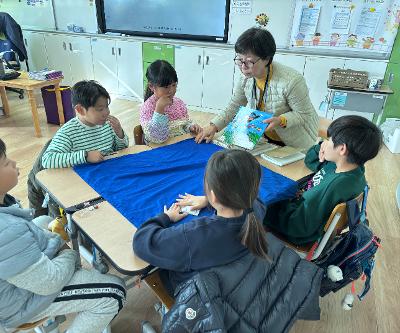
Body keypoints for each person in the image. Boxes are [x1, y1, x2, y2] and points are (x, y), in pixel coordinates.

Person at [0, 138, 126, 333]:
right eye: (6, 162)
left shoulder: (5, 207)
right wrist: (68, 252)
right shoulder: (5, 231)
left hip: (17, 280)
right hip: (15, 306)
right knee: (114, 292)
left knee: (43, 222)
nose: (14, 163)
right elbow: (50, 281)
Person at [133, 149, 267, 295]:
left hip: (199, 294)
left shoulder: (193, 236)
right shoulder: (256, 209)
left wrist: (166, 217)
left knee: (160, 270)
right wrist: (208, 199)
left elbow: (142, 241)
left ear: (213, 195)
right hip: (239, 283)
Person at [264, 115, 382, 245]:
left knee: (254, 200)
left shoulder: (332, 186)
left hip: (296, 230)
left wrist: (273, 205)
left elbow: (298, 226)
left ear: (342, 149)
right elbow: (310, 160)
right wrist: (321, 147)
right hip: (303, 211)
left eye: (329, 140)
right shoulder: (351, 169)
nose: (325, 142)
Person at [195, 27, 318, 149]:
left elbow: (304, 114)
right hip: (262, 138)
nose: (243, 66)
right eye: (240, 60)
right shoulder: (246, 77)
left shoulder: (292, 81)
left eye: (249, 61)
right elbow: (234, 105)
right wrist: (214, 126)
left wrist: (281, 120)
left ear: (267, 59)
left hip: (293, 142)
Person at [42, 80, 129, 169]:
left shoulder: (108, 124)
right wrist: (85, 156)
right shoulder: (68, 132)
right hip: (83, 179)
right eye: (100, 109)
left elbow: (122, 149)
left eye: (107, 107)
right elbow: (47, 160)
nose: (107, 112)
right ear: (80, 110)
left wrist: (119, 134)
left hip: (109, 172)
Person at [140, 60, 201, 144]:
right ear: (151, 86)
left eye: (174, 85)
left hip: (179, 145)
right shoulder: (147, 108)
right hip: (160, 150)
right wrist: (159, 109)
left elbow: (184, 123)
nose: (171, 90)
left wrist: (190, 127)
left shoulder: (179, 103)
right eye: (166, 87)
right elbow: (157, 138)